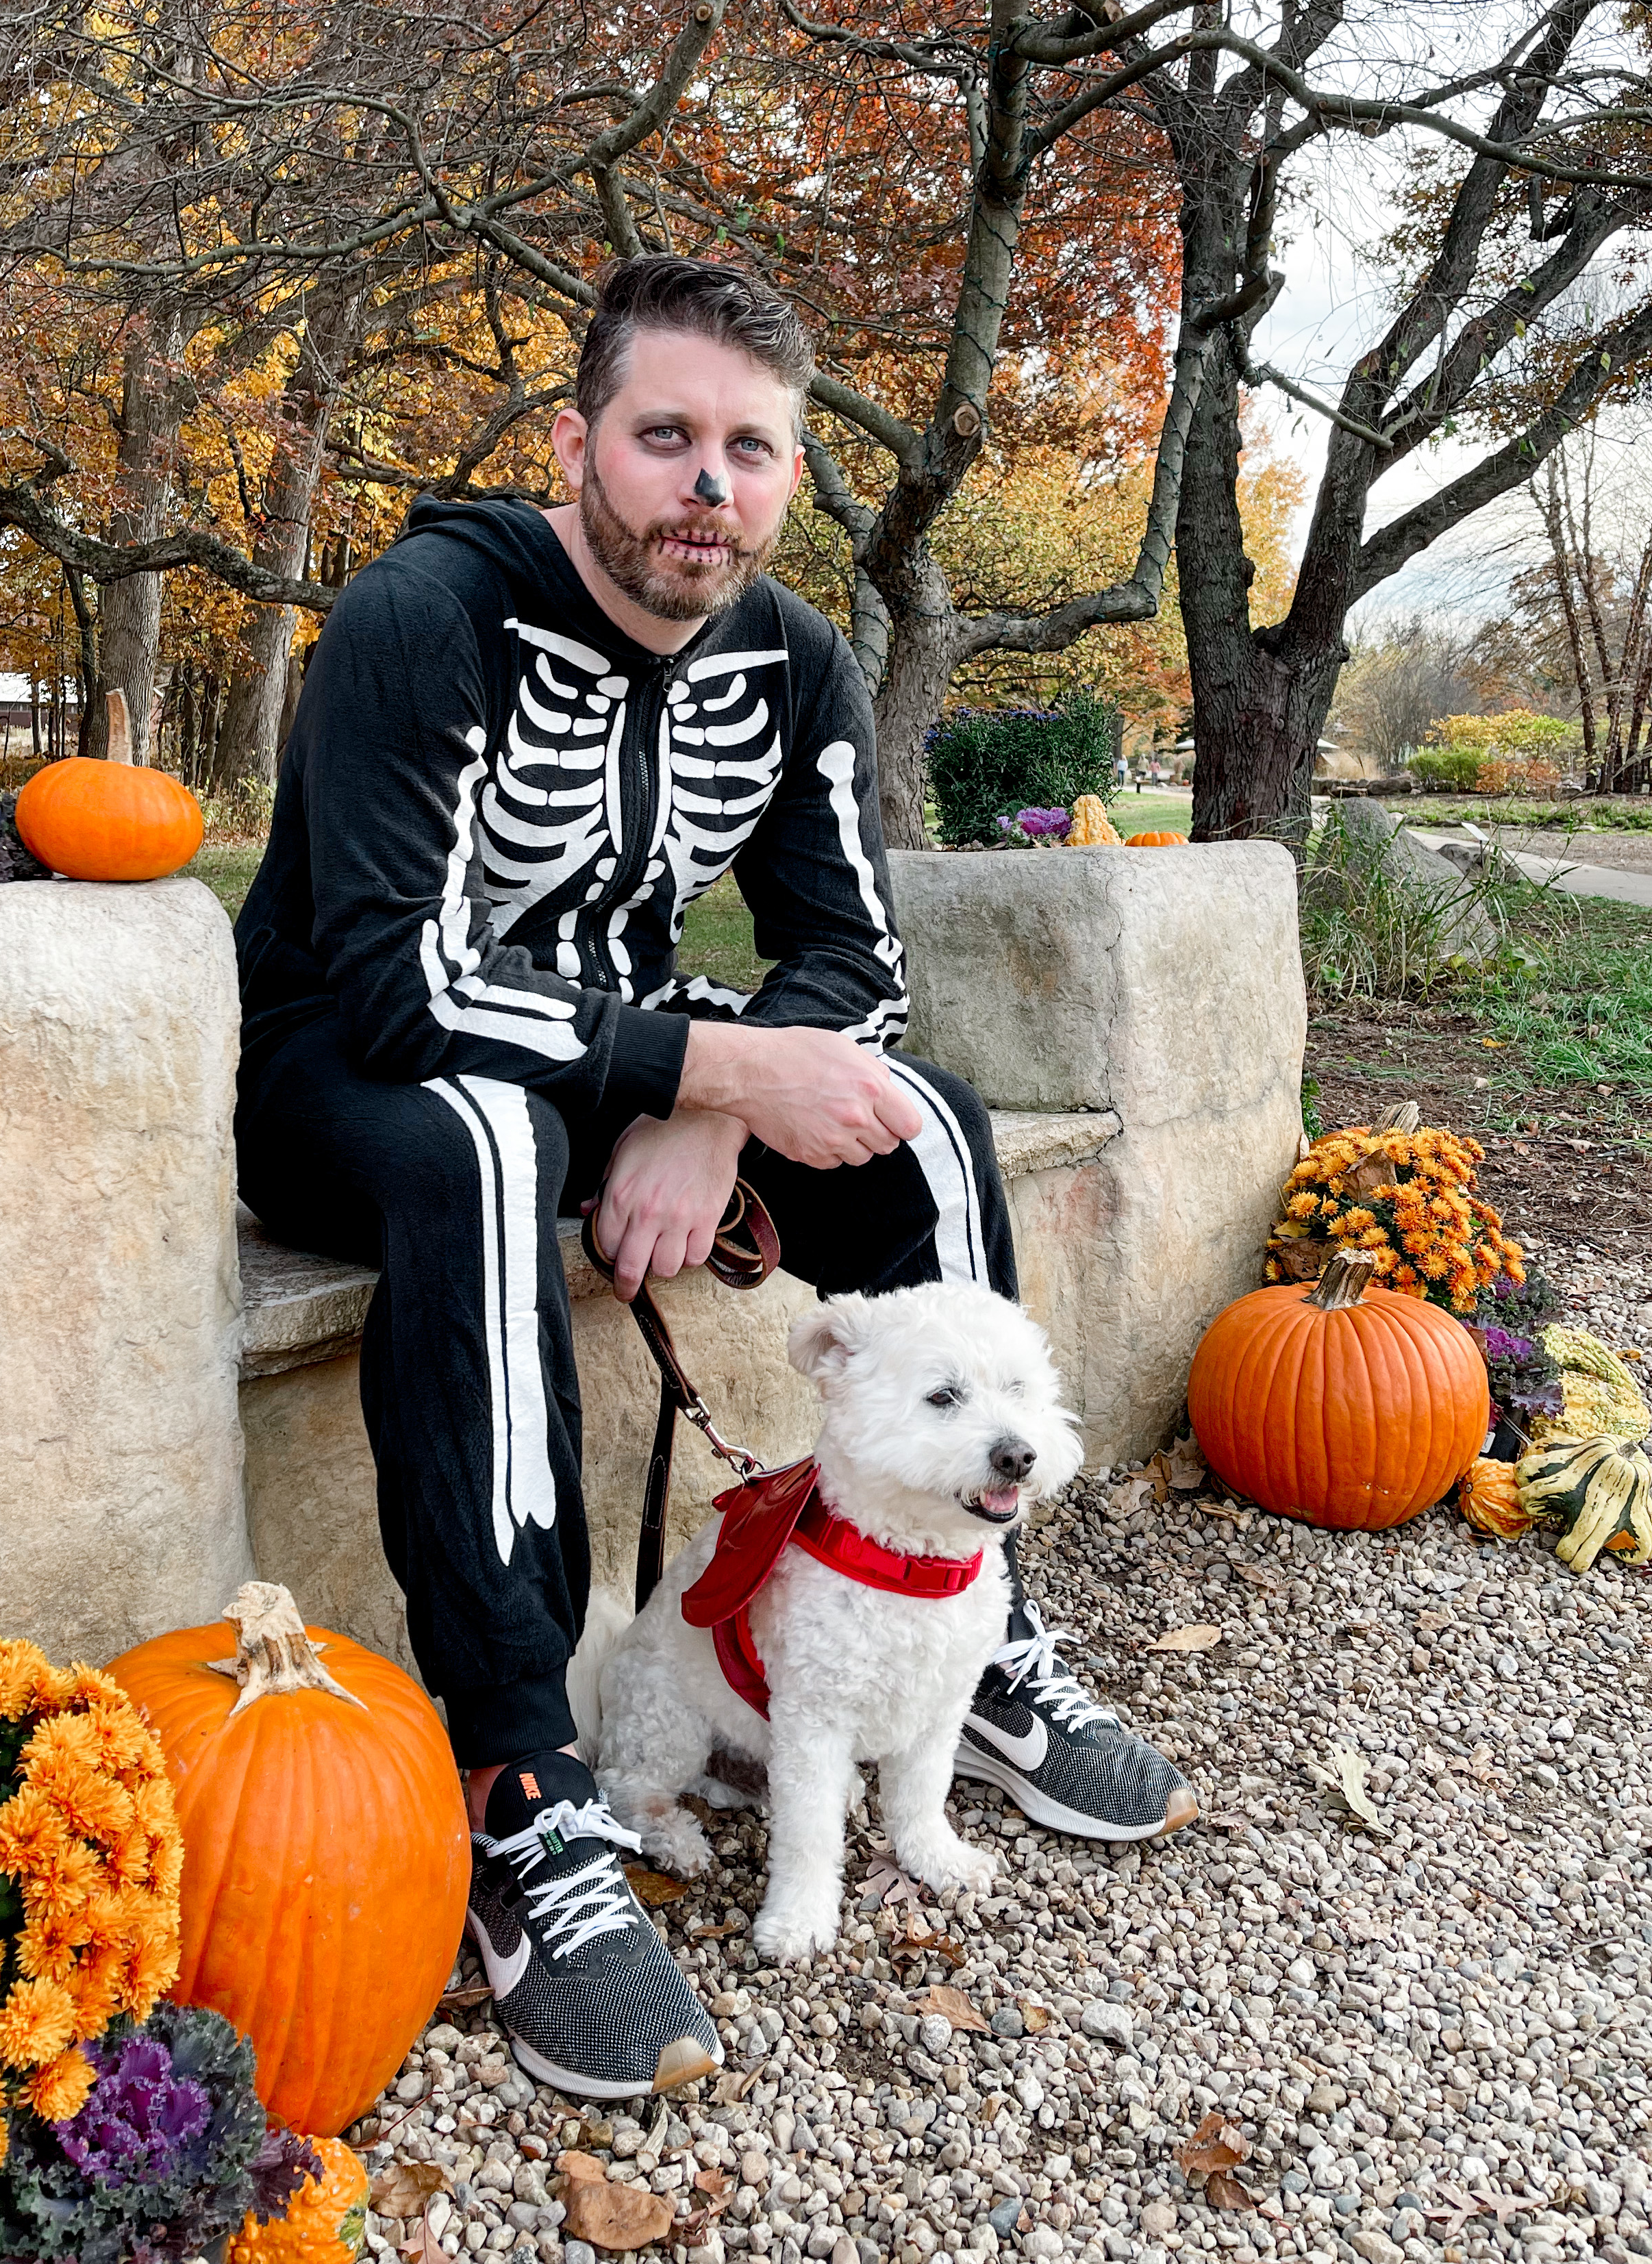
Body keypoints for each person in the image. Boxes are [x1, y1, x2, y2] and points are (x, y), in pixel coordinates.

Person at [233, 257, 1195, 2103]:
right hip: (353, 1072)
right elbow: (390, 971)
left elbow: (858, 962)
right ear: (582, 441)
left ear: (787, 470)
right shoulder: (424, 614)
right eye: (666, 434)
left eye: (749, 448)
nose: (707, 482)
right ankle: (524, 1785)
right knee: (479, 1135)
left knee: (918, 1111)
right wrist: (699, 1062)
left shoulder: (797, 659)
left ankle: (972, 1636)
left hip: (623, 1060)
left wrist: (718, 1112)